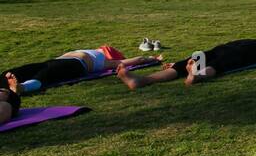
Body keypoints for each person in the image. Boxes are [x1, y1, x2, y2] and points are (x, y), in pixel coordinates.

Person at [117, 36, 256, 89]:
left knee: (217, 65)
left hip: (236, 56)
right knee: (188, 61)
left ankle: (196, 75)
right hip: (218, 50)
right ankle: (140, 80)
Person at [5, 45, 156, 97]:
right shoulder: (93, 51)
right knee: (26, 69)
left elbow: (135, 61)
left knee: (47, 73)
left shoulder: (107, 62)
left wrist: (151, 58)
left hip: (77, 66)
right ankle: (4, 80)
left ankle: (24, 87)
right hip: (56, 61)